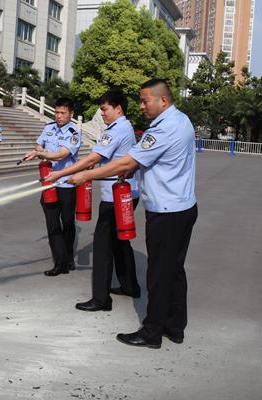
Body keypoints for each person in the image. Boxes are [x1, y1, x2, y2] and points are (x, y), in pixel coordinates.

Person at [67, 79, 197, 348]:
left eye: (144, 100)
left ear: (162, 100)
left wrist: (86, 175)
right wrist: (132, 169)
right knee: (174, 270)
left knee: (159, 273)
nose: (141, 105)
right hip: (183, 207)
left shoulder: (164, 128)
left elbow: (127, 160)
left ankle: (151, 333)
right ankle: (175, 327)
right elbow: (153, 160)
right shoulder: (182, 119)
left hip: (166, 210)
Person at [44, 89, 141, 311]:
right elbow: (100, 159)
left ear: (118, 109)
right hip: (126, 194)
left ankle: (101, 299)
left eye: (105, 109)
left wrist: (60, 174)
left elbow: (95, 157)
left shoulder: (116, 129)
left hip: (115, 197)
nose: (102, 113)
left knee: (102, 246)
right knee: (119, 242)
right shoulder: (123, 127)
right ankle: (130, 286)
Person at [24, 97, 81, 276]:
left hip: (66, 184)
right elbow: (39, 143)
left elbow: (60, 155)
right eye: (56, 112)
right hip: (49, 183)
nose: (58, 116)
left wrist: (40, 154)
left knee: (68, 222)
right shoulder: (49, 127)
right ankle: (60, 262)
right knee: (52, 224)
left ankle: (68, 256)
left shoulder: (74, 133)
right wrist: (37, 149)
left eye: (63, 113)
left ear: (71, 114)